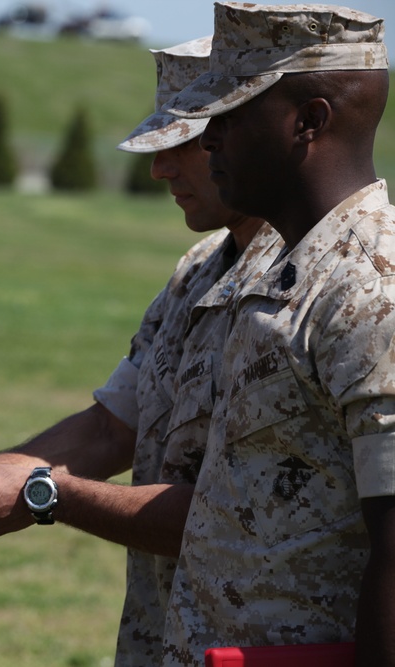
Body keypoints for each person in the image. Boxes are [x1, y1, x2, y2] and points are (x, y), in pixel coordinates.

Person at [0, 35, 283, 665]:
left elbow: (235, 516)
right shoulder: (198, 269)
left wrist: (37, 489)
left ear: (245, 134)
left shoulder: (330, 280)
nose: (159, 169)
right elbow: (112, 427)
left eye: (183, 145)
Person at [154, 3, 394, 664]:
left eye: (229, 116)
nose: (208, 141)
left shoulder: (371, 289)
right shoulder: (288, 270)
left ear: (308, 122)